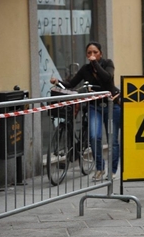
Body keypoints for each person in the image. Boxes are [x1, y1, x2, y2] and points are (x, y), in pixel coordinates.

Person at [50, 41, 121, 181]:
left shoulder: (108, 64)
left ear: (100, 53)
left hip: (112, 106)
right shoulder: (85, 69)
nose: (92, 55)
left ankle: (112, 171)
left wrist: (95, 64)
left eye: (95, 52)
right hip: (94, 106)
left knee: (112, 140)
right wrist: (57, 82)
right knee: (94, 137)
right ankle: (100, 168)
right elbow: (71, 84)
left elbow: (107, 78)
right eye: (89, 53)